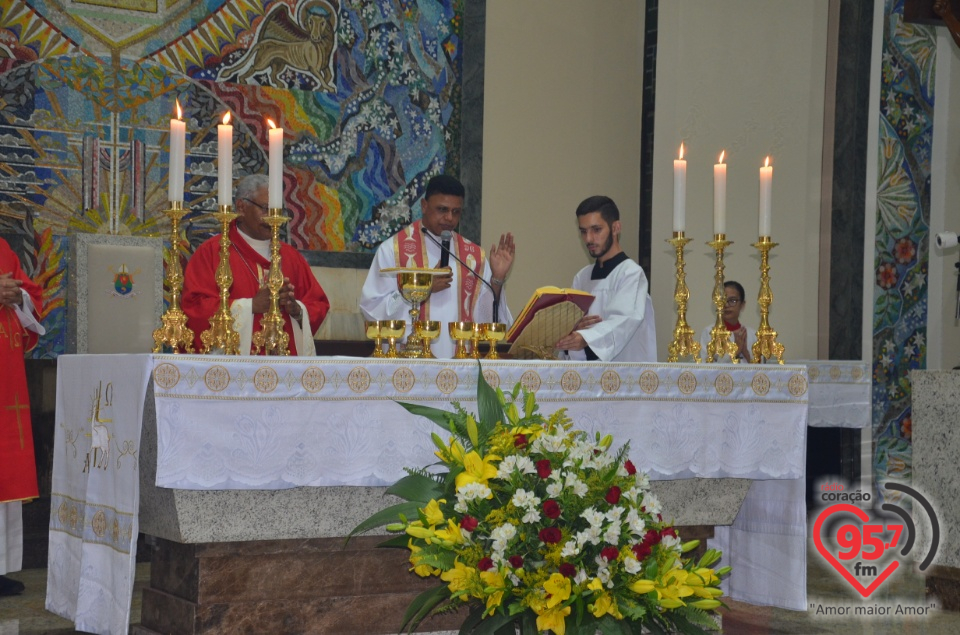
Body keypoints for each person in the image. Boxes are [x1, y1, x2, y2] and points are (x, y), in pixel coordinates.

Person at [360, 174, 515, 359]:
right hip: (407, 367)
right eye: (442, 209)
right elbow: (372, 311)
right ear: (424, 206)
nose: (449, 218)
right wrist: (422, 289)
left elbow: (487, 321)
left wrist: (496, 279)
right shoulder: (392, 251)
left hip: (460, 367)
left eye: (456, 212)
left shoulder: (473, 257)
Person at [182, 174, 330, 355]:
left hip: (284, 371)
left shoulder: (291, 257)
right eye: (266, 208)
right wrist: (251, 305)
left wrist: (297, 310)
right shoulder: (213, 252)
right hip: (234, 372)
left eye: (278, 211)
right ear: (241, 208)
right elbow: (195, 309)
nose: (272, 218)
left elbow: (318, 304)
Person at [555, 196, 656, 362]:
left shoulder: (630, 274)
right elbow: (571, 332)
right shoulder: (582, 278)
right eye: (583, 231)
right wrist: (571, 331)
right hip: (586, 381)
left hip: (624, 379)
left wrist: (586, 339)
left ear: (616, 228)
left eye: (596, 230)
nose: (588, 239)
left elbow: (623, 323)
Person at [0, 237, 44, 596]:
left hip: (6, 379)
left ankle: (0, 565)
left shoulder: (2, 248)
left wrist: (19, 297)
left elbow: (31, 294)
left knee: (5, 474)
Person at [699, 280, 756, 363]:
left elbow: (761, 371)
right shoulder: (709, 333)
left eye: (732, 300)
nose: (726, 305)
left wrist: (745, 353)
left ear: (742, 305)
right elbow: (706, 368)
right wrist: (735, 351)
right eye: (723, 300)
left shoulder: (752, 335)